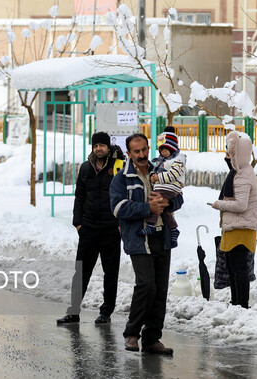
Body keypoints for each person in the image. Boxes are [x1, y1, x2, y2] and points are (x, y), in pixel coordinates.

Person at [109, 133, 184, 355]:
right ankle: (132, 334)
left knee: (160, 290)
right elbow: (118, 208)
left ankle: (152, 339)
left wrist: (168, 202)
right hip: (138, 238)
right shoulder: (122, 178)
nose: (142, 155)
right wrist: (147, 209)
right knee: (146, 285)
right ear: (129, 154)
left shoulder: (161, 171)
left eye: (144, 150)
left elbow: (179, 196)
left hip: (162, 236)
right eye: (136, 151)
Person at [57, 132, 125, 325]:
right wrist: (78, 222)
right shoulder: (86, 168)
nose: (99, 149)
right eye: (96, 146)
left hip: (111, 228)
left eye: (102, 145)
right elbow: (79, 196)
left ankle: (106, 312)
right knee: (81, 272)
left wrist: (121, 223)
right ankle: (73, 312)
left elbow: (125, 195)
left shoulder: (118, 166)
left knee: (110, 272)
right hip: (88, 229)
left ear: (108, 147)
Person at [210, 131, 257, 309]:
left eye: (229, 154)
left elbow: (241, 205)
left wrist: (219, 205)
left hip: (242, 226)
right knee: (232, 265)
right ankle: (236, 302)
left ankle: (242, 304)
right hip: (235, 225)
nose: (226, 157)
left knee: (238, 267)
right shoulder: (237, 172)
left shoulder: (243, 175)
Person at [138, 126, 186, 247]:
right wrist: (154, 175)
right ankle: (174, 229)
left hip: (170, 188)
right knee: (162, 207)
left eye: (167, 150)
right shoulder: (159, 161)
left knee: (157, 203)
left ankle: (151, 225)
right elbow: (155, 171)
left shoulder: (178, 160)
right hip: (162, 187)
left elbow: (173, 176)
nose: (164, 152)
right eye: (162, 150)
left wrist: (157, 178)